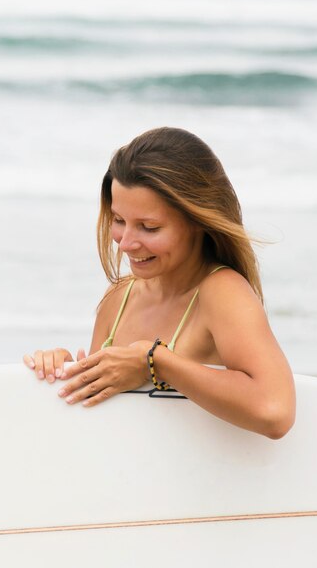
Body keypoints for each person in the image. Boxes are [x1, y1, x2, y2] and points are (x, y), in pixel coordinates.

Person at [23, 127, 295, 438]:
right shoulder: (118, 298)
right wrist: (64, 373)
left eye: (149, 227)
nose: (125, 243)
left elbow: (275, 411)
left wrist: (154, 362)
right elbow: (103, 423)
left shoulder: (222, 292)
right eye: (119, 220)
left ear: (197, 221)